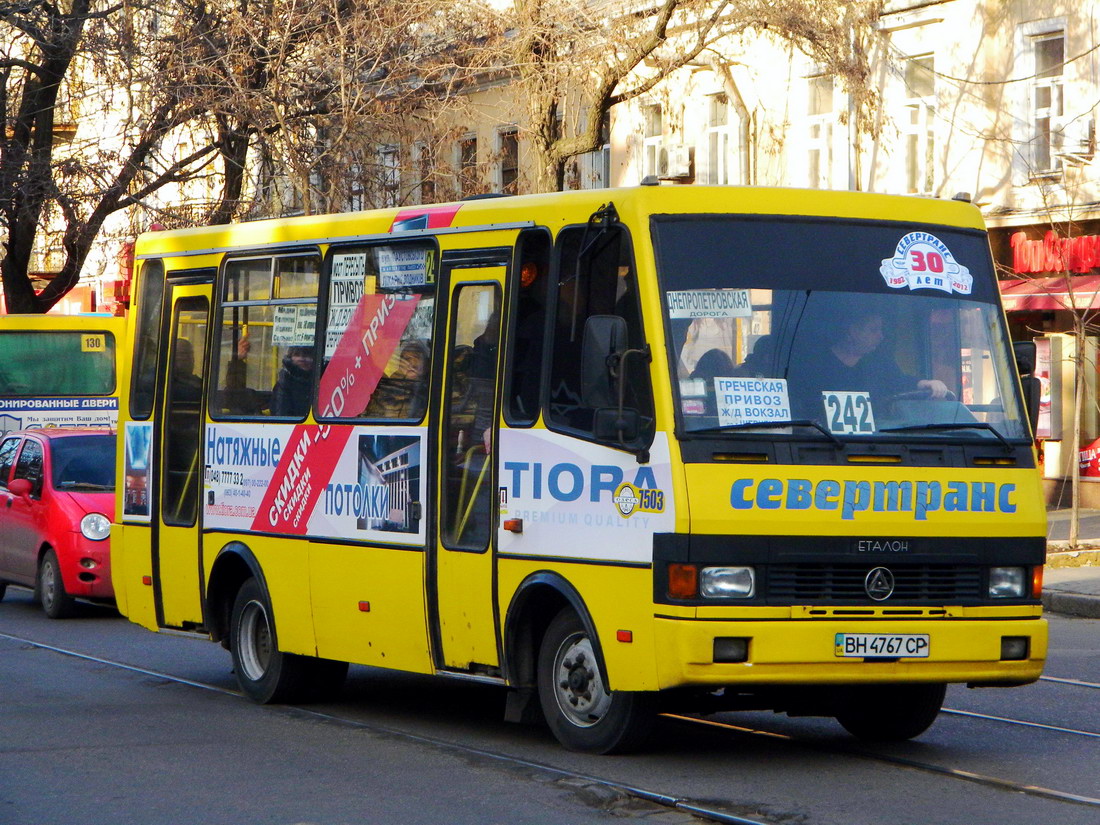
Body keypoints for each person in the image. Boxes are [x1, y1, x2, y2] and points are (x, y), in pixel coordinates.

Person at [790, 311, 948, 418]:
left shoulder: (879, 364)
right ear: (853, 331)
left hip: (876, 438)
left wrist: (928, 383)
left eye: (881, 330)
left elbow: (900, 382)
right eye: (873, 330)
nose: (881, 336)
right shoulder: (815, 365)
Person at [363, 340, 429, 418]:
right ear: (400, 364)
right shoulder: (385, 387)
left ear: (425, 365)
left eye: (417, 357)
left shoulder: (429, 390)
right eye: (406, 359)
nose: (411, 363)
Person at [271, 345, 315, 417]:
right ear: (290, 358)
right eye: (297, 354)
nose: (301, 359)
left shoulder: (322, 381)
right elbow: (281, 417)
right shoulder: (284, 383)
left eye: (306, 354)